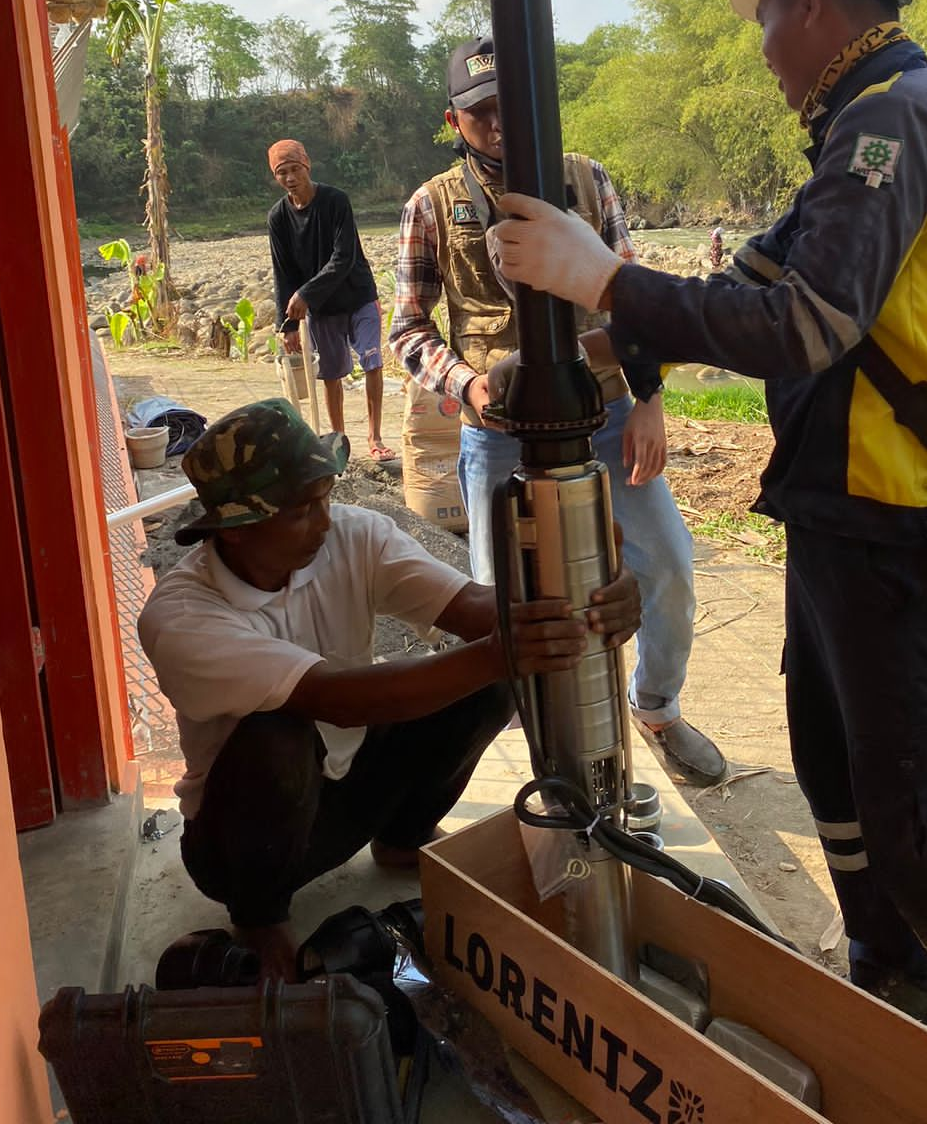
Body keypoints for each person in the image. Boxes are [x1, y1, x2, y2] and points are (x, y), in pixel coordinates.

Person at [489, 0, 927, 1122]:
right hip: (847, 537)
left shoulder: (901, 117)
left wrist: (604, 272)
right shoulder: (855, 126)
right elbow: (757, 277)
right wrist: (617, 329)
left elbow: (800, 321)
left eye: (767, 13)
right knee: (850, 805)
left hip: (909, 546)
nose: (763, 43)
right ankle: (901, 1025)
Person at [138, 397, 640, 982]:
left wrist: (588, 591)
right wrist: (500, 649)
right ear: (238, 530)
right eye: (302, 510)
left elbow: (476, 610)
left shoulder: (353, 537)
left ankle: (404, 838)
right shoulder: (182, 616)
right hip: (242, 843)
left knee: (485, 680)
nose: (324, 521)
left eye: (325, 498)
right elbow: (334, 698)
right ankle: (260, 916)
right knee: (276, 734)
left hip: (349, 792)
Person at [388, 37, 726, 787]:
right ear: (454, 120)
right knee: (496, 596)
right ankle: (523, 732)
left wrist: (649, 400)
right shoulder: (431, 206)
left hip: (603, 415)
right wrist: (469, 388)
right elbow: (407, 329)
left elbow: (635, 297)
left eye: (515, 107)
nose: (501, 125)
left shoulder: (587, 179)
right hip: (498, 436)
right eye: (482, 113)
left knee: (667, 562)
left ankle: (657, 706)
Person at [266, 138, 395, 463]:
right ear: (276, 177)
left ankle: (375, 437)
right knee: (331, 374)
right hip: (322, 308)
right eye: (283, 173)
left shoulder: (336, 201)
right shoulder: (278, 218)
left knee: (373, 362)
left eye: (295, 169)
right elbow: (284, 273)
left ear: (307, 165)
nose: (291, 178)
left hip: (357, 294)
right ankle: (340, 442)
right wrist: (288, 324)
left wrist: (306, 293)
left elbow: (344, 256)